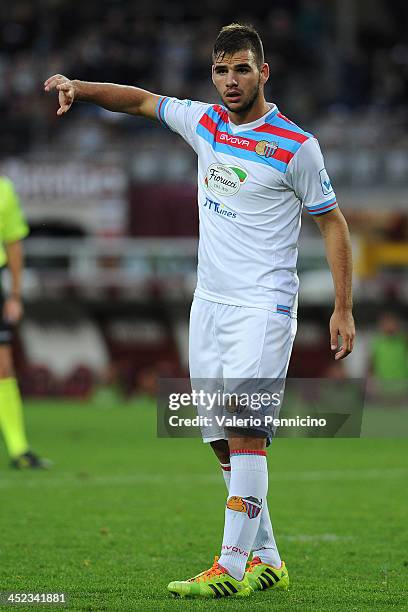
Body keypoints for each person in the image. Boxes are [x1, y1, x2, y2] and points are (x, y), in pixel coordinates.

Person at [45, 22, 355, 598]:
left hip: (264, 306)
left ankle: (230, 567)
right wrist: (79, 87)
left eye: (241, 69)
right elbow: (139, 100)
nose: (230, 81)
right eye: (220, 70)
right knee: (215, 435)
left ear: (264, 72)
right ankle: (267, 560)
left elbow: (332, 223)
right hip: (207, 303)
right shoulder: (205, 123)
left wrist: (343, 306)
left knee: (245, 428)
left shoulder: (296, 145)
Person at [0, 176, 50, 469]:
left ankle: (19, 450)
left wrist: (15, 295)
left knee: (3, 366)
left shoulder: (4, 189)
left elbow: (13, 243)